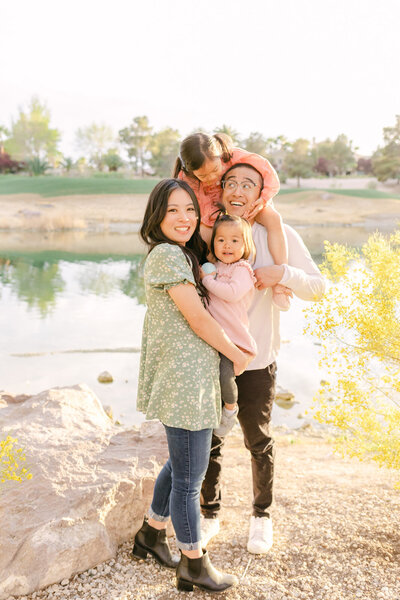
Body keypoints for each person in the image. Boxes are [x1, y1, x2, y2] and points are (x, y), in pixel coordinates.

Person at [200, 164, 326, 554]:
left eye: (248, 184)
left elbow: (319, 288)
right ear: (220, 189)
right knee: (209, 442)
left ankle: (261, 517)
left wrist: (282, 274)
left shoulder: (280, 235)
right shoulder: (210, 233)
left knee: (258, 440)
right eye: (231, 183)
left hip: (258, 361)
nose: (238, 190)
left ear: (261, 193)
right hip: (213, 359)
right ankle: (209, 515)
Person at [133, 178, 250, 593]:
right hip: (184, 382)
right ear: (157, 217)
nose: (184, 218)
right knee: (190, 480)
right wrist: (235, 352)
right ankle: (193, 562)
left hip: (193, 378)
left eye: (189, 209)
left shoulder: (182, 255)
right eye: (172, 211)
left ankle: (150, 534)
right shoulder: (167, 256)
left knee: (182, 463)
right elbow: (198, 321)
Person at [173, 132, 291, 310]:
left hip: (245, 202)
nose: (212, 178)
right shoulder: (186, 178)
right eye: (204, 176)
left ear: (220, 155)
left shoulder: (232, 155)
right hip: (211, 210)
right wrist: (211, 219)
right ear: (192, 173)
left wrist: (264, 199)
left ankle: (281, 283)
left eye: (215, 170)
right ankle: (207, 286)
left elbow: (269, 172)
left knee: (273, 218)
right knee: (205, 234)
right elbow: (194, 204)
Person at [201, 212, 257, 437]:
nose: (227, 245)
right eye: (221, 240)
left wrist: (207, 280)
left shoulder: (242, 269)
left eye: (235, 240)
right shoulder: (212, 267)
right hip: (211, 335)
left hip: (232, 337)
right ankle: (210, 410)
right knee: (209, 376)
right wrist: (207, 275)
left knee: (225, 374)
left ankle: (230, 409)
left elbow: (232, 294)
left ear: (245, 245)